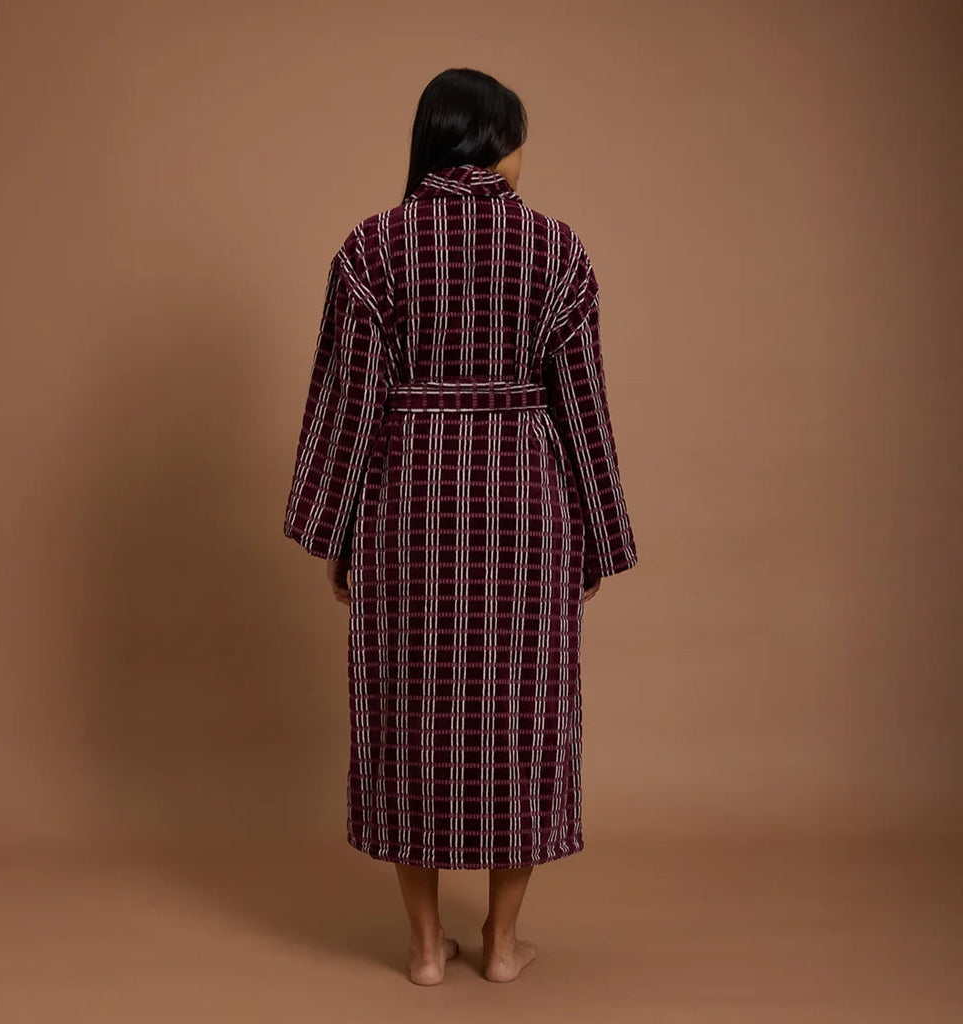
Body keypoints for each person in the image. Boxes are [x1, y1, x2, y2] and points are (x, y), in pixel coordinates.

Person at [283, 67, 637, 985]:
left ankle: (425, 947)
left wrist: (334, 531)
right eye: (520, 137)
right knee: (523, 719)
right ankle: (503, 946)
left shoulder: (373, 248)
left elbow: (347, 401)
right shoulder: (557, 249)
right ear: (496, 141)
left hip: (406, 506)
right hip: (527, 510)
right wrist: (598, 534)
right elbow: (583, 405)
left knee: (410, 718)